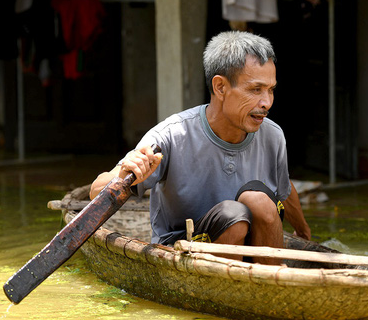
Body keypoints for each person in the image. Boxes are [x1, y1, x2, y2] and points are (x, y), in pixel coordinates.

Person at [89, 31, 310, 262]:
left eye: (271, 90)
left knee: (260, 201)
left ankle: (269, 284)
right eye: (256, 90)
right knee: (234, 215)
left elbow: (283, 189)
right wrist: (128, 171)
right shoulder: (171, 135)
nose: (266, 102)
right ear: (220, 87)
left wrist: (303, 232)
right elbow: (96, 191)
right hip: (183, 247)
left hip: (252, 248)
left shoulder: (272, 135)